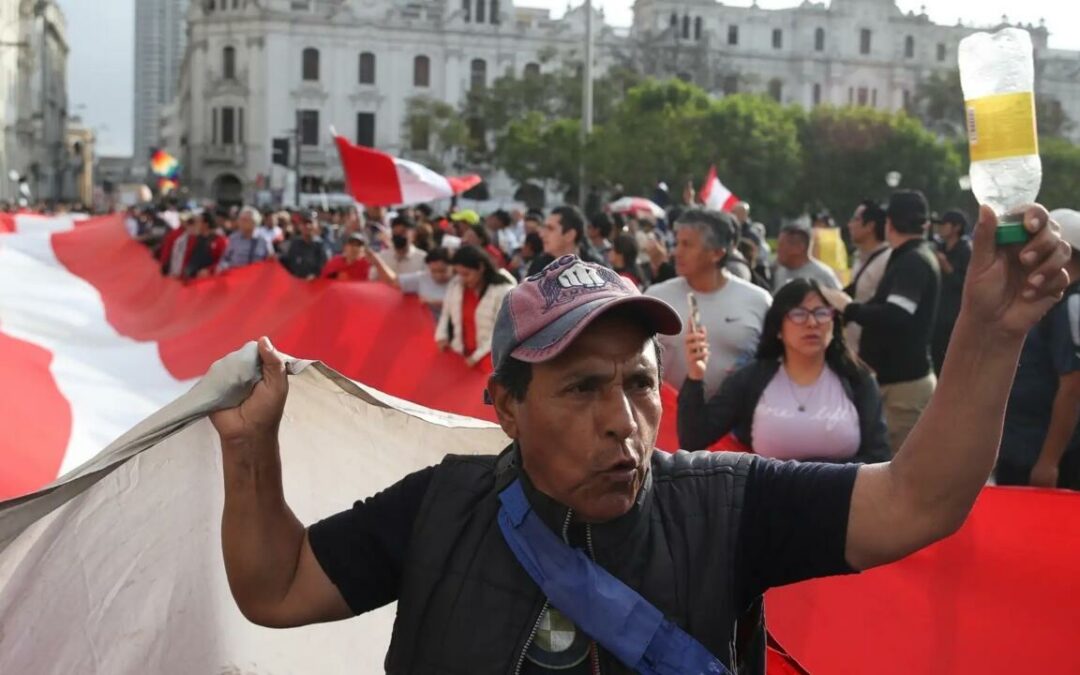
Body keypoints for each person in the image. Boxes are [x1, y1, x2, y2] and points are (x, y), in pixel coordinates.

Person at [209, 205, 1069, 673]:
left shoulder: (726, 503)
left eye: (639, 383)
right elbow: (275, 589)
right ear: (505, 406)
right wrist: (252, 449)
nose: (622, 420)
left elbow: (920, 499)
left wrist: (989, 338)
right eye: (581, 387)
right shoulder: (438, 509)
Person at [678, 278, 889, 463]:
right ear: (778, 328)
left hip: (842, 503)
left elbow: (878, 457)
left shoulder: (858, 380)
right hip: (771, 505)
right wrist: (695, 376)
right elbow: (693, 438)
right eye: (798, 314)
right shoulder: (752, 379)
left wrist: (820, 478)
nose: (812, 323)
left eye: (822, 313)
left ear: (834, 324)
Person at [821, 190, 941, 455]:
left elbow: (896, 316)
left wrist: (848, 308)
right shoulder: (908, 256)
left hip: (903, 387)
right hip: (896, 382)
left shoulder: (913, 261)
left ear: (889, 223)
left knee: (895, 469)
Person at [645, 208, 772, 397]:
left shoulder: (759, 302)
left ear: (717, 254)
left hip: (737, 421)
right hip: (666, 420)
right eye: (677, 243)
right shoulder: (655, 299)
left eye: (687, 245)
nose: (676, 252)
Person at [998, 208, 1080, 491]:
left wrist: (1049, 461)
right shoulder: (1049, 299)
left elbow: (1072, 388)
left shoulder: (1071, 304)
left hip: (1038, 453)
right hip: (1020, 445)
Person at [435, 245, 516, 367]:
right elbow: (446, 314)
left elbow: (502, 332)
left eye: (466, 274)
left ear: (481, 268)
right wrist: (442, 336)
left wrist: (476, 357)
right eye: (458, 273)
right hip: (462, 355)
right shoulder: (456, 285)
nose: (462, 279)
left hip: (489, 359)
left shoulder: (503, 291)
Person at [844, 200, 892, 353]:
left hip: (873, 353)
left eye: (855, 219)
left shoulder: (888, 261)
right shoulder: (859, 257)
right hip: (853, 350)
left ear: (870, 226)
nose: (850, 225)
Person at [931, 210, 973, 376]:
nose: (940, 228)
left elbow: (966, 284)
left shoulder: (965, 251)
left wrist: (946, 267)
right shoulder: (939, 247)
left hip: (953, 316)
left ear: (956, 227)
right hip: (937, 314)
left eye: (944, 224)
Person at [375, 246, 454, 319]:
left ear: (453, 266)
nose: (438, 275)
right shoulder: (422, 278)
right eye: (433, 271)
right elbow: (392, 281)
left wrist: (431, 302)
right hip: (428, 328)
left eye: (442, 271)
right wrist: (377, 263)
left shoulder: (460, 281)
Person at [529, 205, 606, 276]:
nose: (542, 234)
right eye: (544, 228)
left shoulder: (596, 269)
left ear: (570, 235)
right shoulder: (539, 267)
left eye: (550, 229)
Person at [772, 224, 842, 292]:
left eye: (781, 245)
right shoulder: (780, 272)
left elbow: (841, 300)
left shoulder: (822, 275)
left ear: (799, 248)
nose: (777, 249)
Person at [218, 206, 272, 272]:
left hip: (257, 277)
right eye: (240, 219)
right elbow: (224, 259)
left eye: (245, 220)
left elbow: (270, 262)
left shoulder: (264, 240)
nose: (241, 223)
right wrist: (224, 267)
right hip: (236, 276)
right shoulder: (233, 239)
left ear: (254, 223)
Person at [282, 214, 330, 280]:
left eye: (310, 223)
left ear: (316, 226)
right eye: (304, 223)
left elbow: (325, 268)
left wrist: (315, 276)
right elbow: (287, 262)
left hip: (314, 286)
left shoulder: (321, 246)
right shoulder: (295, 244)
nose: (307, 226)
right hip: (297, 285)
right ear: (300, 226)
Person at [185, 211, 229, 279]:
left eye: (198, 222)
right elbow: (188, 258)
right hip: (191, 279)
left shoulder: (219, 240)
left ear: (206, 224)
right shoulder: (193, 239)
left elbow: (224, 261)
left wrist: (209, 270)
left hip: (209, 280)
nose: (195, 224)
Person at [810, 212, 850, 285]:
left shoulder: (816, 235)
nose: (818, 225)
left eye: (821, 223)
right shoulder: (837, 238)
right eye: (816, 223)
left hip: (828, 280)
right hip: (836, 280)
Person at [159, 213, 197, 278]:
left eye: (189, 222)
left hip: (185, 272)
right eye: (185, 221)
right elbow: (166, 250)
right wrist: (164, 263)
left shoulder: (193, 236)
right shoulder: (174, 234)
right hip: (173, 269)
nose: (186, 224)